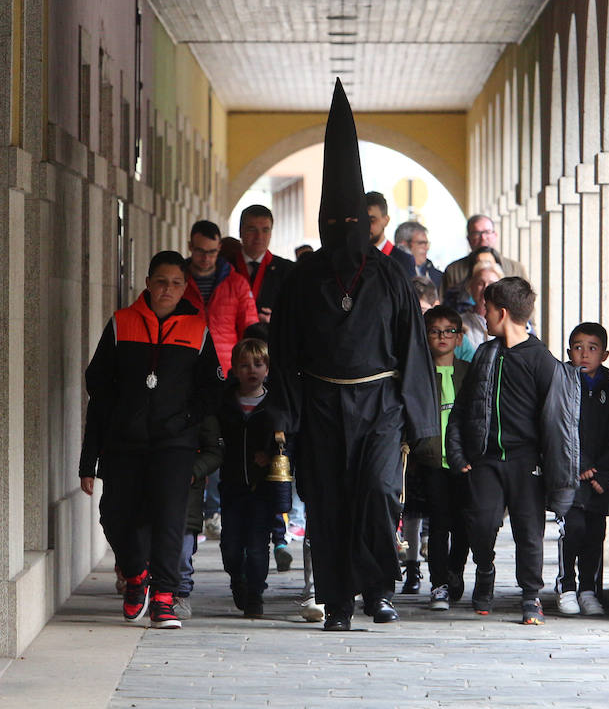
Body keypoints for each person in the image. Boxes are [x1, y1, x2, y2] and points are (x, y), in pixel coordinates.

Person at [267, 80, 439, 631]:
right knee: (329, 504)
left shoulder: (389, 274)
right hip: (319, 404)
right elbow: (285, 350)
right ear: (322, 225)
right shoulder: (301, 278)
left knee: (380, 494)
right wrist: (284, 415)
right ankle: (338, 602)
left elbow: (412, 349)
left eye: (352, 224)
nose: (343, 234)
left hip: (381, 407)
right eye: (334, 224)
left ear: (368, 227)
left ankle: (379, 590)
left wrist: (421, 424)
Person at [79, 250, 224, 628]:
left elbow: (212, 386)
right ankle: (135, 575)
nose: (168, 290)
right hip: (124, 441)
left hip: (174, 443)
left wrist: (187, 418)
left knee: (168, 518)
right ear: (147, 283)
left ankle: (163, 597)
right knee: (114, 515)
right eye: (161, 281)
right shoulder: (121, 323)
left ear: (185, 288)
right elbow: (97, 384)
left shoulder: (198, 328)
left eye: (177, 284)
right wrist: (90, 456)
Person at [445, 276, 579, 626]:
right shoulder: (486, 354)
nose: (483, 315)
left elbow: (560, 425)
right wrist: (459, 454)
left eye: (487, 309)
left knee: (529, 532)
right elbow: (463, 409)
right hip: (485, 460)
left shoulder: (542, 361)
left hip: (526, 463)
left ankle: (530, 597)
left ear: (502, 313)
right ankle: (485, 569)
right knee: (481, 522)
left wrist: (556, 472)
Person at [555, 322, 609, 617]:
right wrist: (580, 465)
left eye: (592, 348)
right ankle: (567, 587)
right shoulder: (561, 387)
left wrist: (604, 474)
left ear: (605, 355)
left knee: (594, 533)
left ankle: (589, 588)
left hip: (599, 481)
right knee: (572, 529)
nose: (584, 354)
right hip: (570, 475)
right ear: (569, 351)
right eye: (578, 347)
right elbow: (558, 428)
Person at [216, 338, 289, 617]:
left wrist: (270, 455)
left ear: (267, 369)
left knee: (258, 546)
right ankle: (237, 579)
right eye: (244, 365)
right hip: (232, 485)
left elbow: (285, 440)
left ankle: (256, 593)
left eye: (258, 364)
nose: (251, 371)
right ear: (234, 369)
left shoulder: (275, 404)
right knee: (231, 546)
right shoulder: (225, 403)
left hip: (262, 488)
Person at [415, 305, 471, 610]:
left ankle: (455, 573)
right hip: (432, 459)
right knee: (438, 523)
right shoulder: (420, 374)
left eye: (449, 331)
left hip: (463, 460)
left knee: (463, 523)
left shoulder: (468, 372)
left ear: (460, 337)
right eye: (435, 331)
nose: (442, 337)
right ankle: (437, 583)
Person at [184, 219, 259, 373]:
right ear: (190, 247)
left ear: (219, 248)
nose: (206, 258)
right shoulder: (178, 282)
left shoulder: (237, 284)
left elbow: (249, 330)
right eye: (200, 251)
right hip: (185, 366)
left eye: (212, 252)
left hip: (226, 369)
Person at [176, 414, 223, 621]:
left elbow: (213, 451)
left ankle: (180, 593)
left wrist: (193, 471)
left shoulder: (199, 408)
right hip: (153, 480)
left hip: (188, 488)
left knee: (182, 550)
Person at [237, 203, 296, 324]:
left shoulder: (288, 270)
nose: (259, 236)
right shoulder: (226, 267)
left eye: (265, 230)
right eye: (252, 229)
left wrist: (277, 319)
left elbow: (296, 311)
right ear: (240, 231)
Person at [441, 215, 529, 294]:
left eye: (487, 232)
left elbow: (527, 304)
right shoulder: (453, 271)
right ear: (468, 239)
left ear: (495, 235)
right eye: (476, 233)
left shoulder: (516, 269)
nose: (483, 238)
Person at [392, 220, 445, 290]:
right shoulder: (388, 274)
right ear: (403, 245)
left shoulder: (438, 277)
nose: (427, 248)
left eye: (427, 243)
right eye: (421, 243)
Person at [458, 264, 501, 350]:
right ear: (471, 287)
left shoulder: (507, 322)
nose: (486, 289)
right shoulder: (459, 322)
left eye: (491, 284)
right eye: (480, 283)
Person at [364, 190, 396, 256]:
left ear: (386, 221)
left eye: (372, 220)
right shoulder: (351, 258)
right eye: (363, 221)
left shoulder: (403, 260)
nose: (366, 226)